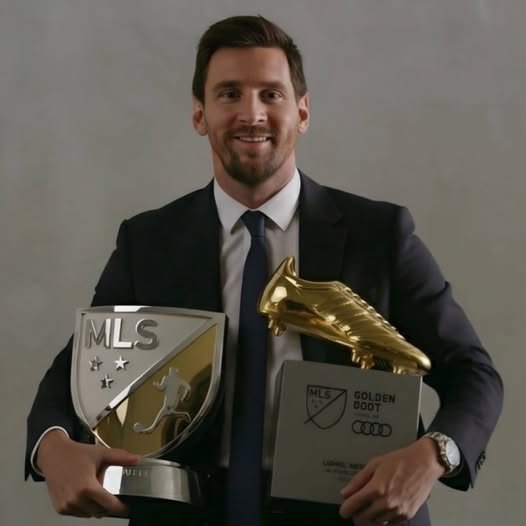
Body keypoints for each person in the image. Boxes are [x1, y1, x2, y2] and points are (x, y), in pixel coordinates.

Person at [26, 15, 503, 526]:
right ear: (200, 114)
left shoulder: (379, 235)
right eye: (229, 94)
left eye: (270, 94)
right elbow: (76, 374)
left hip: (353, 512)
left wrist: (434, 454)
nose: (251, 114)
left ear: (302, 112)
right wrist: (52, 448)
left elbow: (472, 372)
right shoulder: (148, 242)